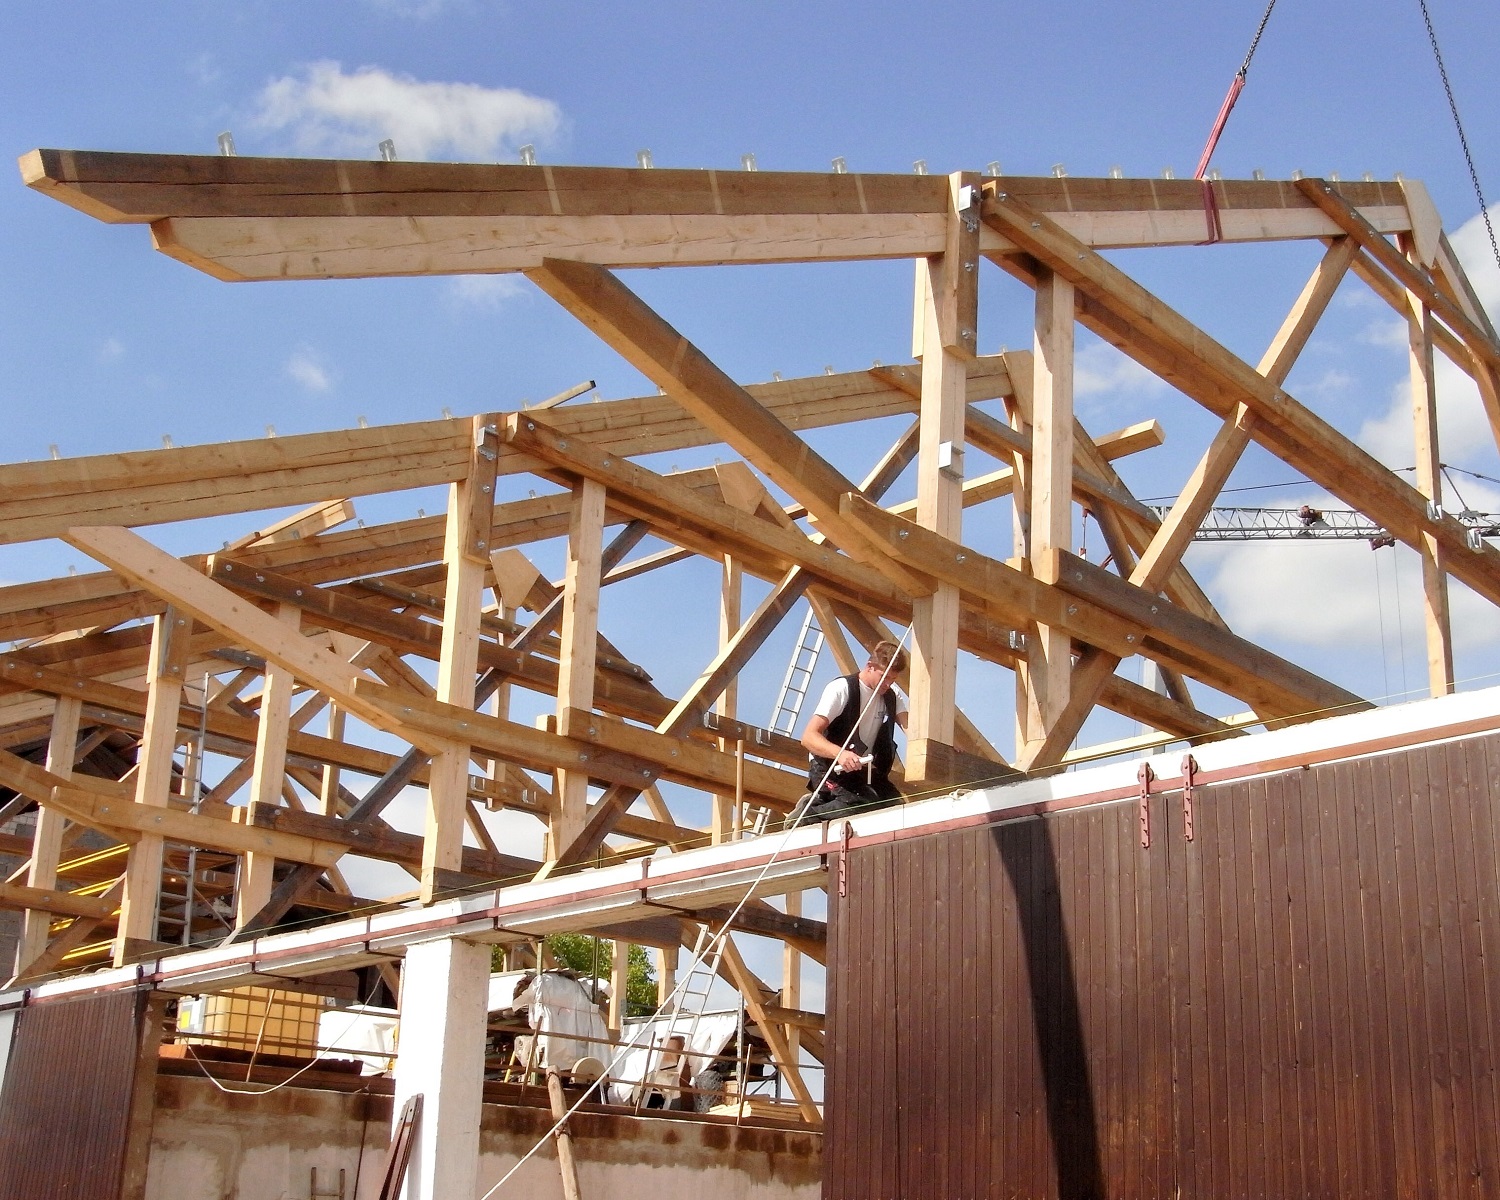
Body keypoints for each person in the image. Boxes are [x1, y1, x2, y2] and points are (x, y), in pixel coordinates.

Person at [798, 640, 908, 822]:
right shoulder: (842, 688)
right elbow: (808, 737)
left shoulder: (892, 696)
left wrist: (945, 745)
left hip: (863, 771)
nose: (887, 684)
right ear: (869, 666)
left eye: (892, 680)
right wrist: (840, 754)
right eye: (884, 677)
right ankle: (806, 815)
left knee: (896, 810)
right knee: (859, 806)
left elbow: (910, 727)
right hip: (830, 768)